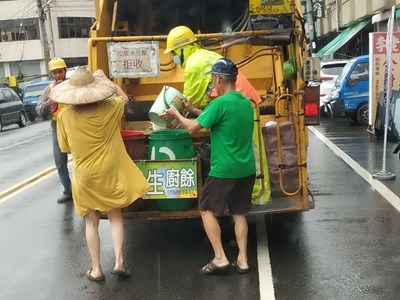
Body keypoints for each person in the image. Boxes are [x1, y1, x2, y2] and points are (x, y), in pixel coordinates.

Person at [50, 67, 150, 282]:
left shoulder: (65, 117)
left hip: (85, 175)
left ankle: (96, 269)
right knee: (115, 216)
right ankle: (120, 262)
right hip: (111, 170)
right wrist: (108, 81)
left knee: (91, 221)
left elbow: (65, 147)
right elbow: (124, 98)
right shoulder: (110, 107)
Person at [161, 58, 256, 275]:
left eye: (213, 78)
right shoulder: (244, 102)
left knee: (205, 209)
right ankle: (243, 260)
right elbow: (214, 118)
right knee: (239, 213)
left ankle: (220, 258)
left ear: (220, 78)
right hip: (246, 168)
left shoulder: (219, 104)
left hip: (224, 170)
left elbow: (193, 128)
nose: (212, 83)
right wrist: (192, 108)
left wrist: (177, 114)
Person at [164, 25, 271, 205]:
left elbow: (190, 97)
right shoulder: (205, 55)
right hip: (240, 101)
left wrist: (177, 114)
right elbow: (202, 103)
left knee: (250, 148)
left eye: (174, 52)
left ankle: (259, 196)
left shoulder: (192, 64)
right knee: (244, 148)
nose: (173, 57)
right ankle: (248, 195)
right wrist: (191, 110)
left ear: (182, 49)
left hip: (241, 101)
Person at [36, 57, 72, 204]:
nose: (58, 75)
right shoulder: (49, 89)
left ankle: (85, 190)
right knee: (59, 160)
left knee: (82, 159)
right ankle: (68, 190)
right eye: (54, 73)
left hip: (75, 126)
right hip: (57, 127)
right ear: (51, 74)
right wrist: (49, 102)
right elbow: (39, 110)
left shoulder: (73, 86)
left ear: (65, 71)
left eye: (60, 71)